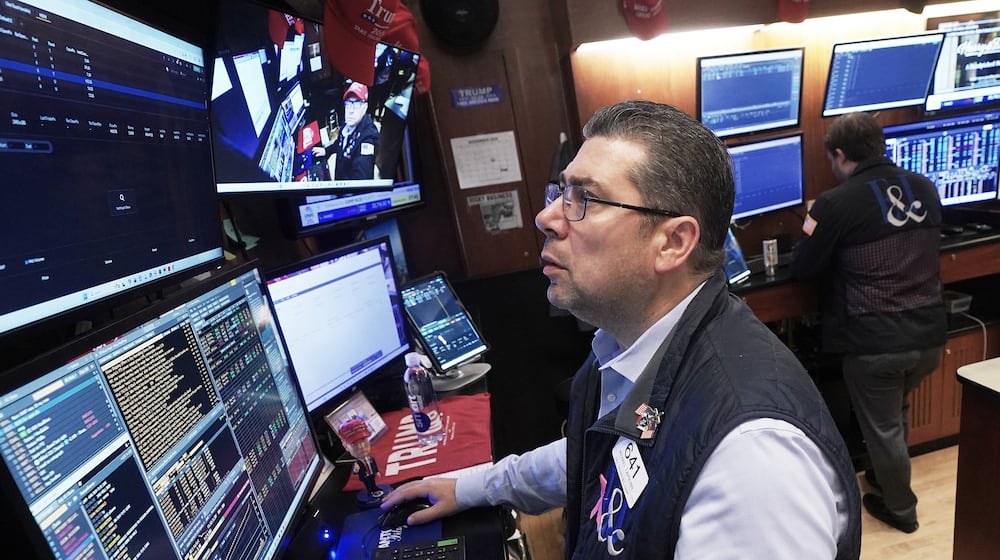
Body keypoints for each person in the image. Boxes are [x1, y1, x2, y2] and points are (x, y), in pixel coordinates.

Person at [381, 100, 862, 559]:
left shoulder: (752, 462)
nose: (546, 218)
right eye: (560, 193)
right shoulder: (627, 346)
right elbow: (601, 454)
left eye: (584, 199)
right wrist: (475, 487)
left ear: (673, 242)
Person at [791, 111, 946, 534]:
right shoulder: (925, 187)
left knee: (884, 428)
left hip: (877, 344)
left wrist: (811, 226)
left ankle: (901, 510)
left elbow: (803, 268)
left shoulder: (835, 204)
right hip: (930, 338)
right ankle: (883, 474)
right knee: (894, 412)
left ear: (840, 154)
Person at [319, 82, 379, 181]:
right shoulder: (349, 122)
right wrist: (326, 150)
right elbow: (340, 142)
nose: (351, 110)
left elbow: (361, 180)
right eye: (348, 104)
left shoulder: (368, 138)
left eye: (356, 105)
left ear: (364, 107)